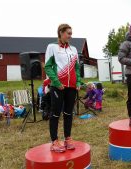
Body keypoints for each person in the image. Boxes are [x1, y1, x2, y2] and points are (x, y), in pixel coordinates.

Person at [44, 23, 81, 153]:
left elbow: (77, 67)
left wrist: (78, 82)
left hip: (71, 87)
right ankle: (54, 141)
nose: (70, 36)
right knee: (55, 113)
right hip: (58, 86)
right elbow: (48, 66)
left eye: (71, 33)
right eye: (68, 33)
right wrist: (56, 82)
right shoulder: (52, 47)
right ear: (61, 33)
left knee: (68, 113)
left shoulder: (74, 49)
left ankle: (67, 139)